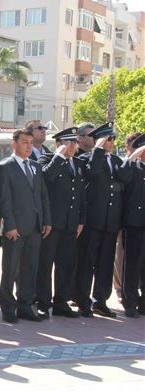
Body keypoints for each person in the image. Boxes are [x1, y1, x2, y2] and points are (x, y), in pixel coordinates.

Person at [76, 122, 135, 318]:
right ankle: (83, 301)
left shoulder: (116, 161)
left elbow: (125, 177)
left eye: (113, 139)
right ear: (98, 140)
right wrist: (99, 149)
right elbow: (92, 172)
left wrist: (131, 158)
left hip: (110, 222)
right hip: (93, 221)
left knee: (105, 265)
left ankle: (100, 301)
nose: (112, 142)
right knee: (87, 263)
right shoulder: (87, 158)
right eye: (109, 139)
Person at [0, 129, 51, 323]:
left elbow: (43, 196)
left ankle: (26, 306)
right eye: (24, 143)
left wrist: (46, 220)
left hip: (35, 227)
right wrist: (9, 225)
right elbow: (4, 199)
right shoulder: (5, 167)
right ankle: (8, 309)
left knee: (30, 268)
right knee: (10, 269)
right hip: (15, 228)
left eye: (31, 142)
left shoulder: (36, 166)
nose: (29, 146)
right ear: (15, 144)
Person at [36, 127, 85, 318]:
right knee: (45, 264)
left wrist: (81, 220)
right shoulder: (47, 159)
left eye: (75, 142)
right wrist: (58, 156)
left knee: (66, 265)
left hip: (70, 223)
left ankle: (61, 303)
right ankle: (43, 301)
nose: (73, 146)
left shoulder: (77, 163)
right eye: (68, 142)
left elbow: (81, 194)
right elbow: (46, 177)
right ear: (58, 144)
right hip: (52, 224)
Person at [119, 133, 145, 318]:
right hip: (134, 224)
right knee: (132, 264)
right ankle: (130, 302)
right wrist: (134, 156)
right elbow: (122, 176)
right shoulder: (131, 167)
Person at [113, 133, 140, 299]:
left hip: (138, 220)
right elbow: (122, 178)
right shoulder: (125, 164)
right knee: (122, 258)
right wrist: (133, 157)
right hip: (124, 220)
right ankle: (121, 291)